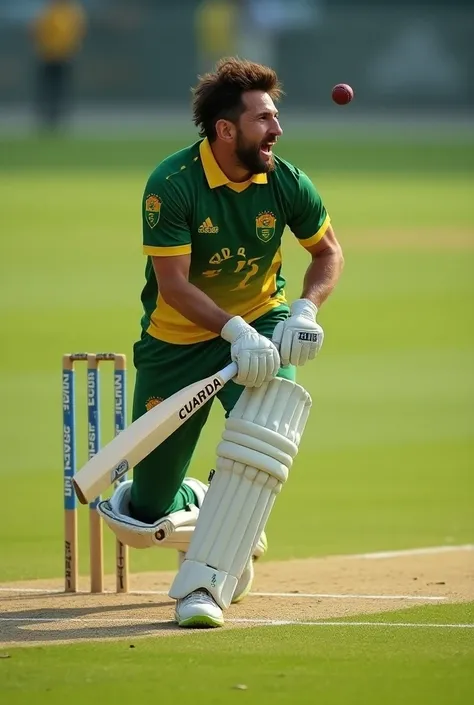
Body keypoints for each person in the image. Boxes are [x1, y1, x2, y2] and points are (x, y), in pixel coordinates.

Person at [97, 57, 344, 628]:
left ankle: (203, 585)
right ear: (225, 130)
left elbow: (328, 251)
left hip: (263, 319)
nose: (277, 130)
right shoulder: (172, 184)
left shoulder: (284, 180)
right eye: (263, 119)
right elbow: (174, 286)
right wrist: (234, 331)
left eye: (276, 116)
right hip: (177, 343)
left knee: (263, 437)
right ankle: (203, 504)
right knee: (144, 516)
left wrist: (303, 310)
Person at [30, 0, 86, 132]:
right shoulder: (48, 11)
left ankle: (59, 116)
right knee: (48, 87)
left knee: (61, 87)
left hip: (64, 56)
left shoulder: (71, 12)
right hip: (48, 55)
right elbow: (37, 31)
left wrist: (72, 48)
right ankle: (46, 115)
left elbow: (77, 32)